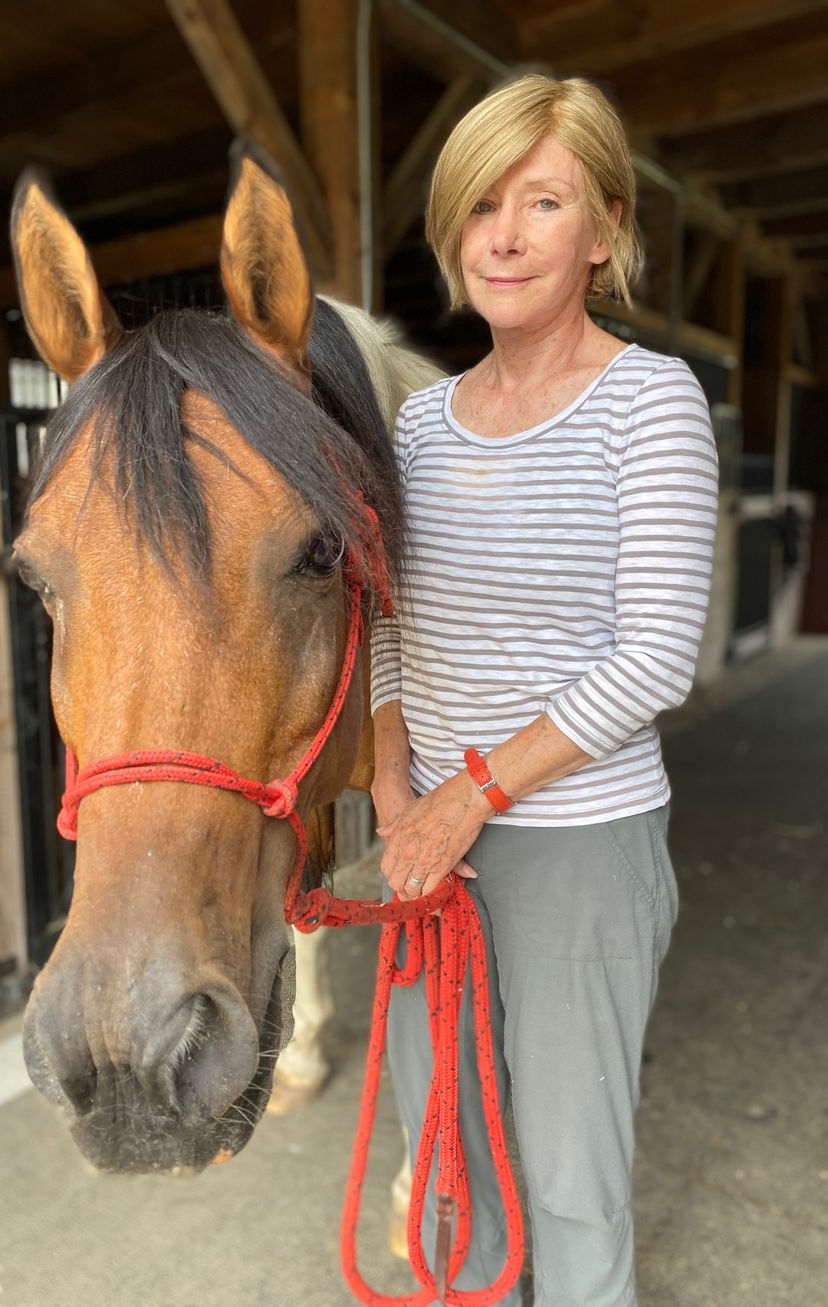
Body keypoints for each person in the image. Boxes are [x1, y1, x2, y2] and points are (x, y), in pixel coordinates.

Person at [370, 75, 719, 1307]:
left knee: (569, 1176)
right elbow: (386, 633)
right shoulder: (417, 427)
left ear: (604, 230)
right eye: (479, 207)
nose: (504, 235)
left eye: (543, 201)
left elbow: (652, 656)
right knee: (447, 1159)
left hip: (576, 840)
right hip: (428, 841)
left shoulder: (649, 404)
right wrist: (387, 787)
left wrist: (466, 793)